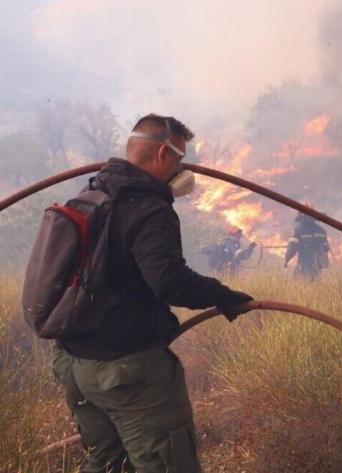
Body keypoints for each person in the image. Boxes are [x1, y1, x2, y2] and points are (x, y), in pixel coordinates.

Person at [49, 114, 254, 472]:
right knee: (167, 463)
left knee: (108, 463)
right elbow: (169, 280)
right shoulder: (149, 208)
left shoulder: (92, 193)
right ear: (163, 154)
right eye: (180, 159)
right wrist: (224, 295)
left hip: (75, 364)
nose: (182, 168)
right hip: (128, 372)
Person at [284, 211, 330, 280]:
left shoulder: (298, 230)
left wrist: (287, 259)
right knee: (315, 282)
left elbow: (292, 247)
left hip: (305, 262)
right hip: (318, 263)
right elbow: (326, 247)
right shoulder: (321, 230)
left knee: (298, 282)